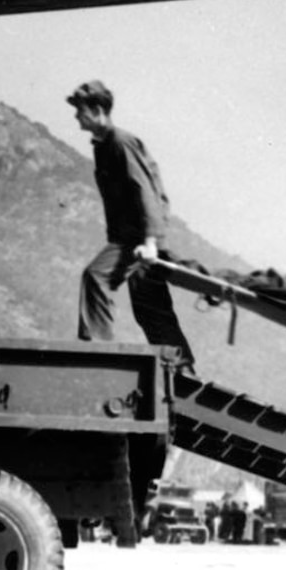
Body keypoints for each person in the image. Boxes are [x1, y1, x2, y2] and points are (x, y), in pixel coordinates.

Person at [67, 80, 195, 370]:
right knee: (151, 309)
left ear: (98, 110)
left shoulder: (119, 142)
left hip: (139, 241)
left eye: (80, 111)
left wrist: (150, 242)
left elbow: (144, 190)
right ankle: (182, 368)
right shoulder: (104, 145)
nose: (76, 117)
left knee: (95, 276)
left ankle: (97, 350)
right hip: (139, 240)